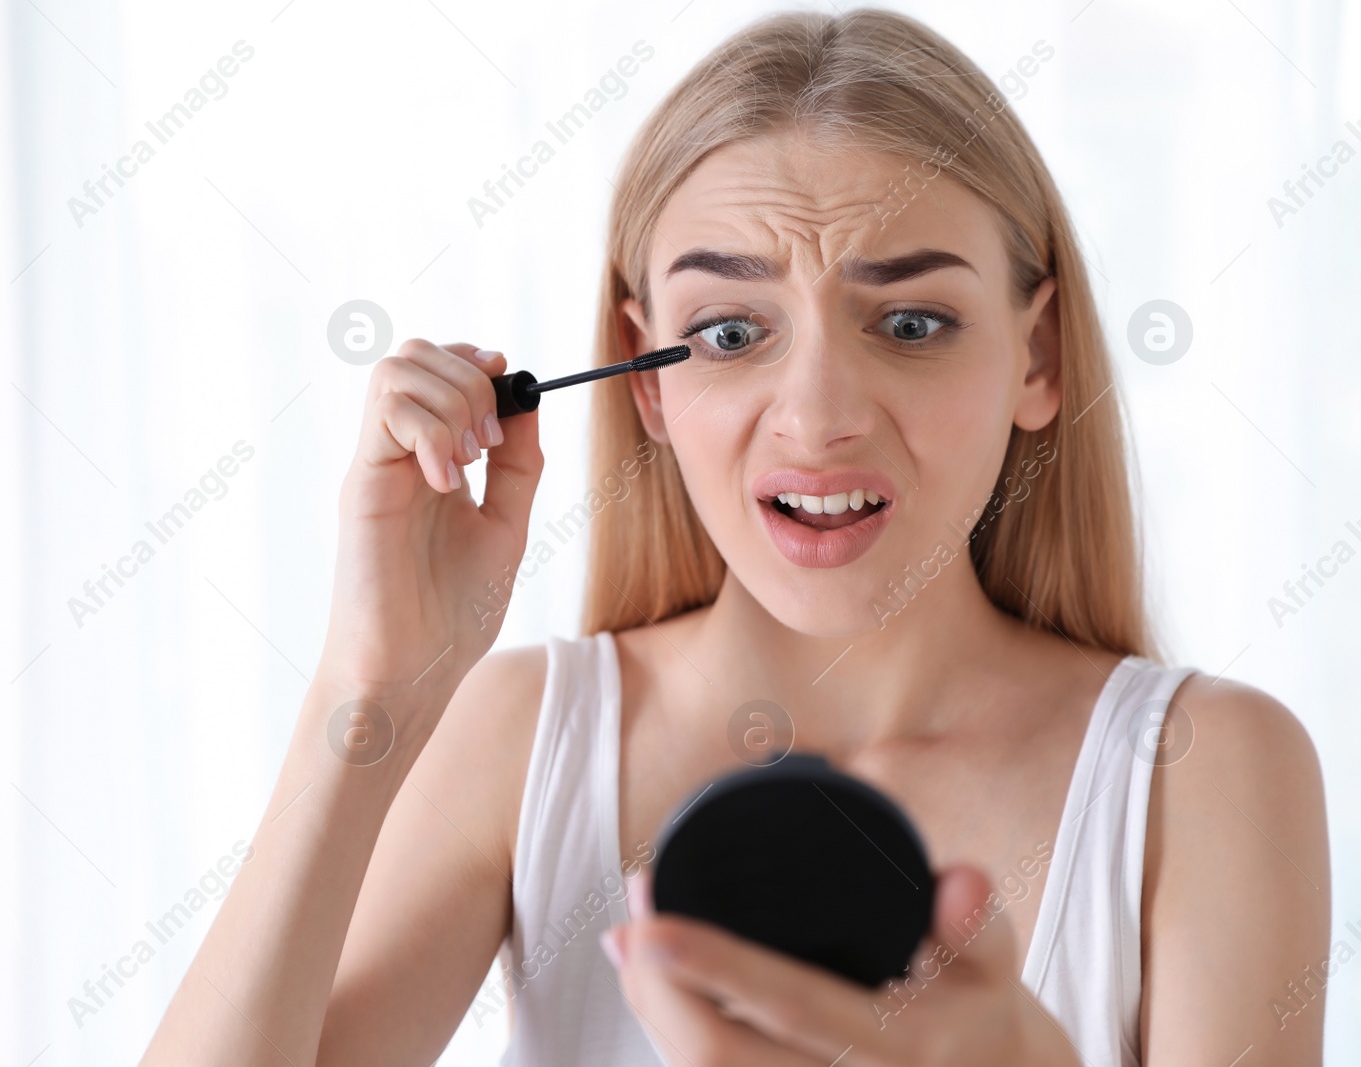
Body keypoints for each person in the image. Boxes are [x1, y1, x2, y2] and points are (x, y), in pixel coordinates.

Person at [141, 9, 1330, 1066]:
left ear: (1038, 355)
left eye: (910, 321)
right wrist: (371, 685)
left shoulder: (1203, 771)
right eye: (725, 333)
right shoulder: (524, 738)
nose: (817, 418)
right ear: (647, 381)